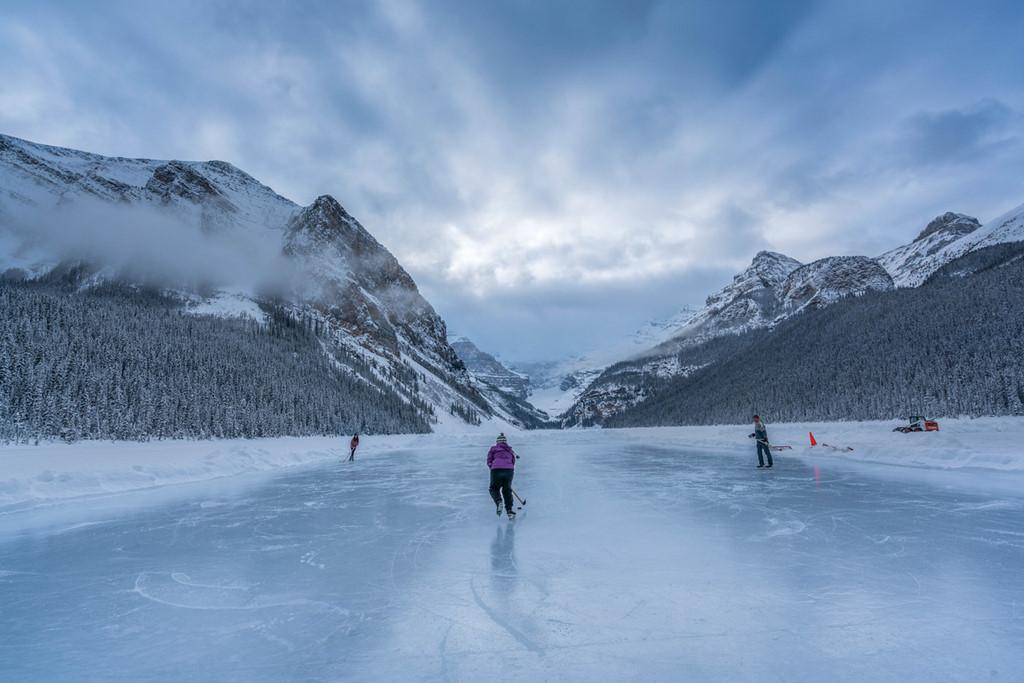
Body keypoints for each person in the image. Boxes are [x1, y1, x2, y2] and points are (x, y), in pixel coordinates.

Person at [487, 433, 518, 518]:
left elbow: (489, 460)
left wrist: (492, 467)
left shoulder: (493, 449)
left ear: (497, 442)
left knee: (493, 488)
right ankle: (509, 511)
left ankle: (498, 501)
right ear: (505, 442)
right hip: (509, 470)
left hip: (496, 470)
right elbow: (513, 461)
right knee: (507, 490)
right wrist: (509, 468)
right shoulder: (510, 450)